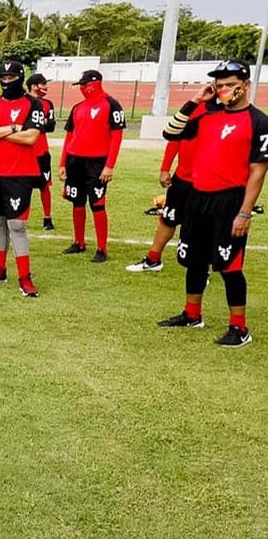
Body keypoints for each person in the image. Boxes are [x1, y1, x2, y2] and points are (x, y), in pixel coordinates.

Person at [158, 60, 268, 347]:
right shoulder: (206, 114)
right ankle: (192, 314)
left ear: (245, 86)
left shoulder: (259, 121)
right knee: (194, 260)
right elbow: (171, 133)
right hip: (197, 196)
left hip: (229, 200)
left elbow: (258, 171)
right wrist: (196, 100)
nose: (223, 90)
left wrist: (244, 212)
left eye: (229, 84)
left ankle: (239, 327)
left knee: (230, 266)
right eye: (219, 85)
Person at [0, 60, 47, 297]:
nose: (7, 82)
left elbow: (31, 138)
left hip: (20, 173)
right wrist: (14, 128)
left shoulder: (34, 104)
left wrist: (0, 130)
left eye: (11, 78)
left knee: (17, 224)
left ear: (20, 77)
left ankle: (25, 277)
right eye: (3, 78)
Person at [128, 97, 220, 272]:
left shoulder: (230, 114)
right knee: (168, 218)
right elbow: (174, 138)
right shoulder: (194, 108)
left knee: (203, 226)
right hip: (182, 179)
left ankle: (201, 270)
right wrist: (165, 168)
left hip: (208, 182)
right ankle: (153, 260)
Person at [58, 70, 125, 263]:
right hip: (75, 161)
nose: (82, 88)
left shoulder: (111, 105)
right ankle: (79, 242)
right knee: (77, 202)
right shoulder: (78, 108)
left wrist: (109, 165)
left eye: (84, 84)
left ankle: (102, 248)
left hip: (97, 162)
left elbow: (116, 136)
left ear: (94, 83)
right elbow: (69, 136)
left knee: (97, 203)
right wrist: (63, 163)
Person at [26, 73, 57, 230]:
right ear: (34, 86)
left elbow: (51, 126)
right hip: (25, 151)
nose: (46, 87)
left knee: (44, 186)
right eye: (43, 84)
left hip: (42, 151)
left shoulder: (47, 103)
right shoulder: (22, 101)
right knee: (22, 186)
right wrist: (39, 122)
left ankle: (47, 218)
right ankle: (17, 215)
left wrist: (33, 123)